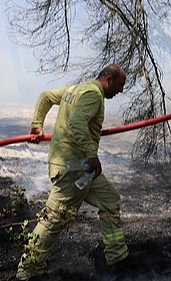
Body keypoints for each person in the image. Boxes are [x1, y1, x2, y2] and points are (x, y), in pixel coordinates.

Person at [16, 64, 130, 280]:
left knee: (109, 200)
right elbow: (77, 122)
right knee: (54, 219)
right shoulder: (93, 95)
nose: (121, 90)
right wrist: (91, 154)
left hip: (82, 170)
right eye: (120, 84)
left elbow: (46, 96)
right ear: (108, 79)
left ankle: (116, 258)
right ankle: (28, 271)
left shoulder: (76, 89)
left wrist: (37, 124)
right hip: (73, 169)